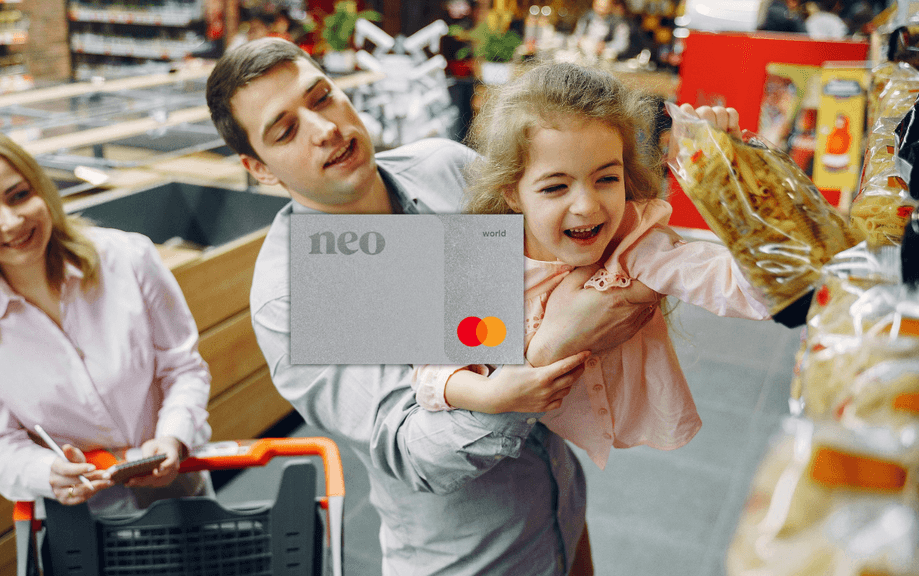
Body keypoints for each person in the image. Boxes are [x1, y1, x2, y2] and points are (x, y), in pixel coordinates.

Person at [205, 37, 659, 575]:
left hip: (558, 506)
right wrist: (543, 355)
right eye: (285, 130)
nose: (323, 127)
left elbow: (562, 241)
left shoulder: (447, 170)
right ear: (259, 169)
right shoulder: (298, 289)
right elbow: (409, 449)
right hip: (470, 557)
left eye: (322, 96)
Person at [412, 62, 773, 471]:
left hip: (565, 458)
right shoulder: (482, 267)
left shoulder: (634, 240)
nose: (587, 206)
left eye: (606, 179)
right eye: (555, 187)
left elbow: (757, 291)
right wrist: (495, 394)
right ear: (513, 194)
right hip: (500, 461)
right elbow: (433, 374)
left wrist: (734, 193)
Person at [0, 129, 213, 514]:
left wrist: (173, 436)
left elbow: (183, 369)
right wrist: (48, 471)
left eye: (19, 195)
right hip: (79, 520)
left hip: (179, 489)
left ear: (41, 189)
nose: (12, 221)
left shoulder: (128, 258)